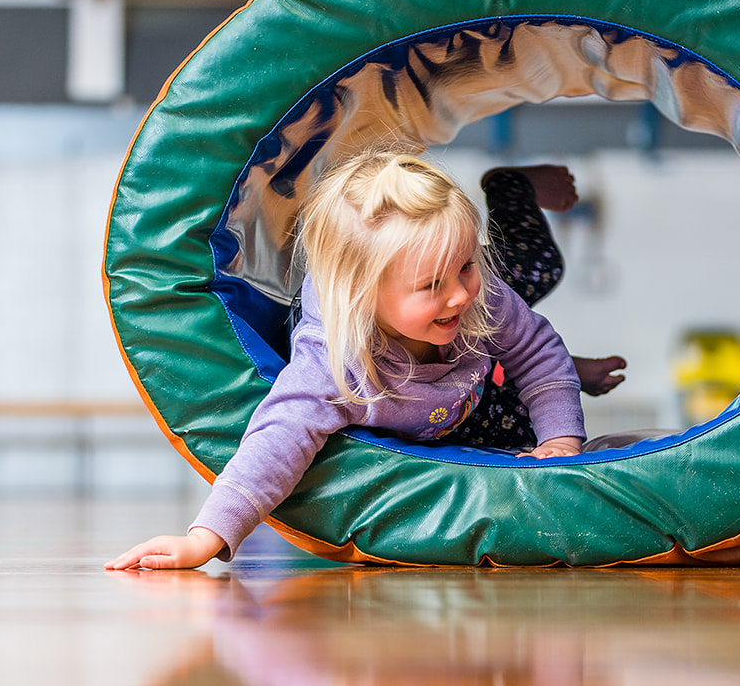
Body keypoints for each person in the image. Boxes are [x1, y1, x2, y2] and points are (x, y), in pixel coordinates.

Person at [107, 147, 625, 570]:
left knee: (536, 272)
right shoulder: (334, 365)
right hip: (432, 400)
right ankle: (522, 367)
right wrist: (205, 539)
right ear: (363, 295)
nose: (459, 294)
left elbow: (535, 346)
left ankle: (509, 185)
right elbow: (278, 437)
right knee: (506, 423)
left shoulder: (478, 293)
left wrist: (561, 438)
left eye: (465, 268)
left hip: (467, 380)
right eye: (432, 285)